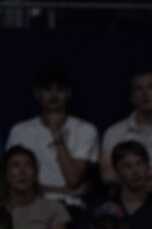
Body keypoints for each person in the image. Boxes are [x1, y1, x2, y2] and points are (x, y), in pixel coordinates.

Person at [5, 63, 99, 208]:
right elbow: (12, 181)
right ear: (37, 94)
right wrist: (63, 191)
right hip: (29, 204)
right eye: (47, 90)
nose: (54, 96)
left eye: (60, 90)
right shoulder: (20, 131)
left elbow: (73, 179)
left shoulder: (85, 130)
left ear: (68, 93)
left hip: (71, 206)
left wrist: (57, 137)